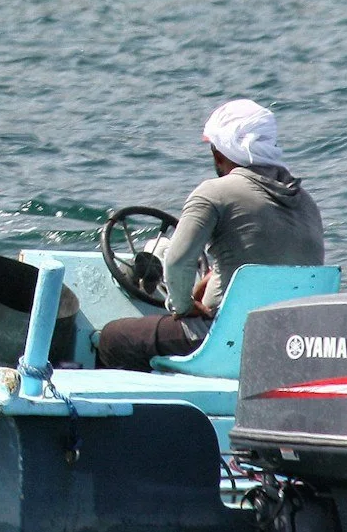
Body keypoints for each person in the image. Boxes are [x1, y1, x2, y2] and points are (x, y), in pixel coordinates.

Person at [94, 99, 327, 371]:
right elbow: (273, 261)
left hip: (222, 338)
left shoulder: (214, 193)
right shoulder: (307, 203)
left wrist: (183, 305)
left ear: (219, 153)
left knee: (114, 337)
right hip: (290, 337)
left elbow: (177, 262)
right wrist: (214, 275)